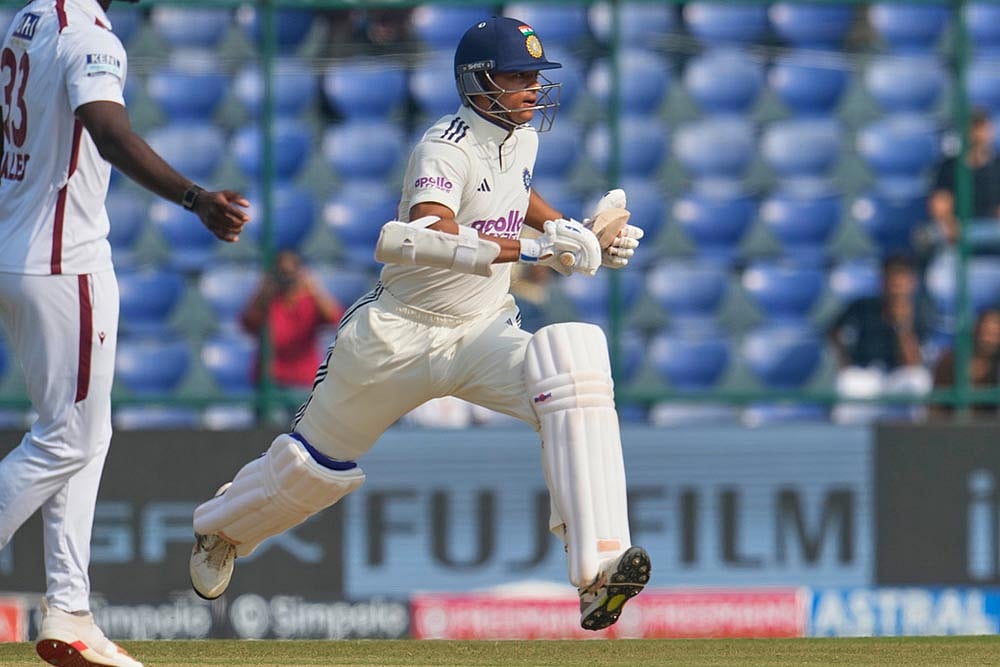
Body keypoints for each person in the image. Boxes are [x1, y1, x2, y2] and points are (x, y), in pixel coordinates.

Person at [189, 16, 649, 632]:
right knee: (310, 472)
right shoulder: (443, 146)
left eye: (536, 76)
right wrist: (536, 249)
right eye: (519, 76)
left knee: (575, 357)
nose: (534, 88)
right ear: (480, 81)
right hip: (397, 335)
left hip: (482, 330)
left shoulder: (522, 138)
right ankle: (220, 530)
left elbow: (515, 191)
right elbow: (432, 230)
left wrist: (570, 230)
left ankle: (599, 568)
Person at [0, 1, 251, 666]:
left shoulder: (28, 18)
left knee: (81, 433)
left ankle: (69, 610)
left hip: (23, 251)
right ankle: (70, 609)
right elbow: (109, 134)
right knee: (67, 438)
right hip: (65, 261)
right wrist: (197, 199)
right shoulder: (88, 34)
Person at [828, 254, 936, 424]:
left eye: (900, 283)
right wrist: (844, 359)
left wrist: (902, 325)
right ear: (882, 282)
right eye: (891, 281)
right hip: (867, 374)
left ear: (912, 283)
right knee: (847, 381)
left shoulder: (922, 311)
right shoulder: (862, 306)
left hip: (899, 377)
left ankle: (913, 436)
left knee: (918, 379)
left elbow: (913, 363)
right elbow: (833, 331)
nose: (895, 288)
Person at [239, 249, 343, 390]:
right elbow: (247, 324)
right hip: (271, 378)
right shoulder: (268, 301)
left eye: (291, 273)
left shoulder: (311, 301)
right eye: (282, 273)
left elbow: (335, 319)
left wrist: (315, 290)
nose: (287, 280)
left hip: (304, 378)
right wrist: (263, 292)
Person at [918, 109, 1000, 260]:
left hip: (993, 230)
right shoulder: (948, 167)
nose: (977, 134)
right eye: (972, 127)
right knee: (931, 235)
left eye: (981, 127)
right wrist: (949, 223)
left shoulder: (997, 165)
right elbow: (940, 204)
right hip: (958, 231)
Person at [932, 308, 1000, 418]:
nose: (988, 339)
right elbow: (935, 406)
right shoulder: (950, 361)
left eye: (994, 334)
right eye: (986, 332)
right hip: (952, 424)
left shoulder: (997, 367)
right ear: (976, 330)